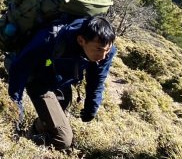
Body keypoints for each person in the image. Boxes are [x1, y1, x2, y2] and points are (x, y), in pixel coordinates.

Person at [7, 15, 116, 150]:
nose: (103, 56)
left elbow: (97, 78)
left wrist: (91, 107)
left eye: (107, 50)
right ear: (81, 40)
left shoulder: (104, 47)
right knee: (63, 139)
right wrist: (16, 105)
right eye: (98, 49)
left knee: (56, 114)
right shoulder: (50, 38)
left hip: (61, 81)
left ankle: (34, 131)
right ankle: (25, 143)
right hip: (38, 80)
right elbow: (19, 67)